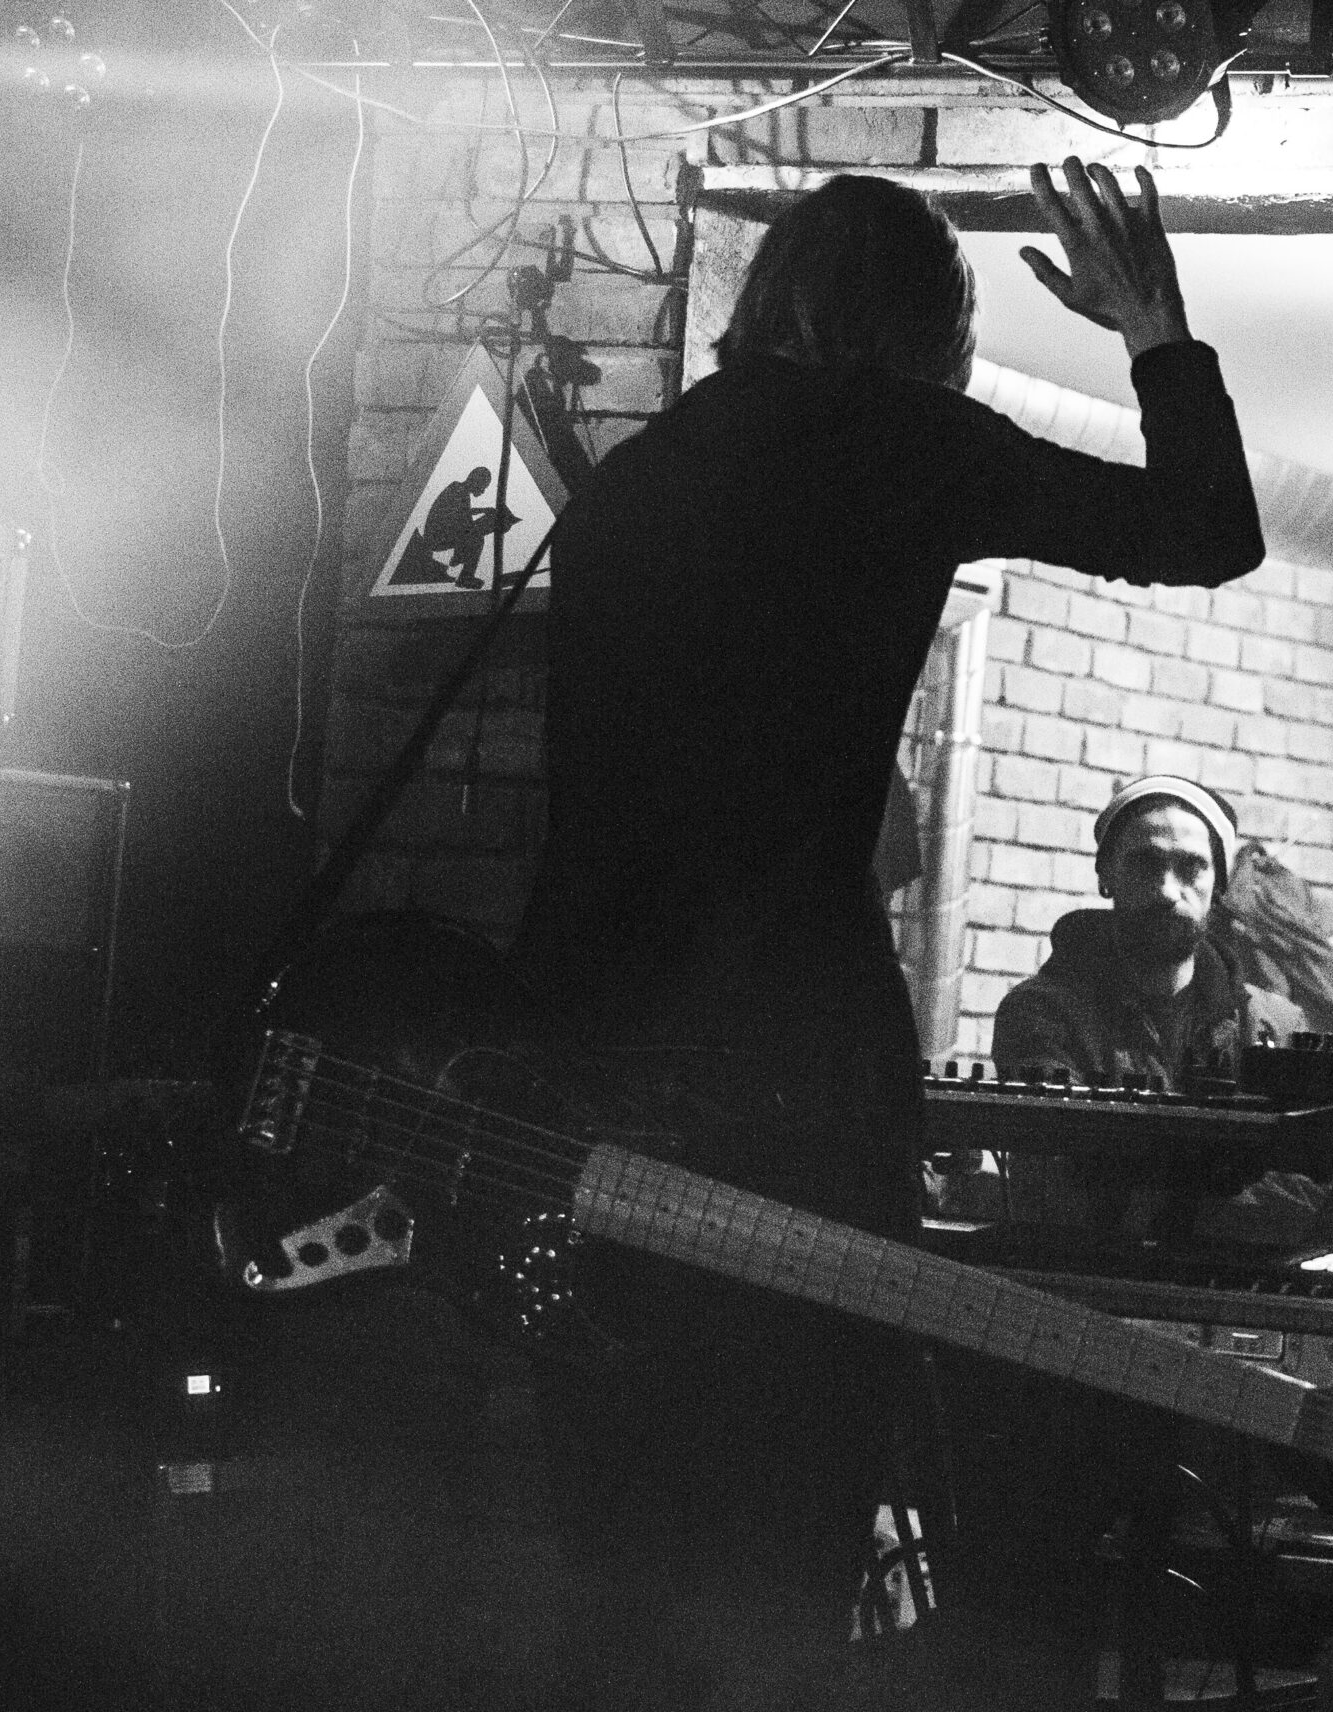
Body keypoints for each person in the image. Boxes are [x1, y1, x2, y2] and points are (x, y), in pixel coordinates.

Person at [509, 161, 1267, 1709]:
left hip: (589, 1053)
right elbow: (1207, 530)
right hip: (798, 1060)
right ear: (928, 331)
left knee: (616, 1531)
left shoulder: (646, 468)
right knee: (789, 1512)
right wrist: (1154, 330)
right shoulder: (904, 445)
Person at [992, 774, 1309, 1091]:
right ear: (1106, 876)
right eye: (1145, 864)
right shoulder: (1042, 1014)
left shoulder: (1273, 1026)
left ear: (1218, 888)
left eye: (1191, 867)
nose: (1167, 891)